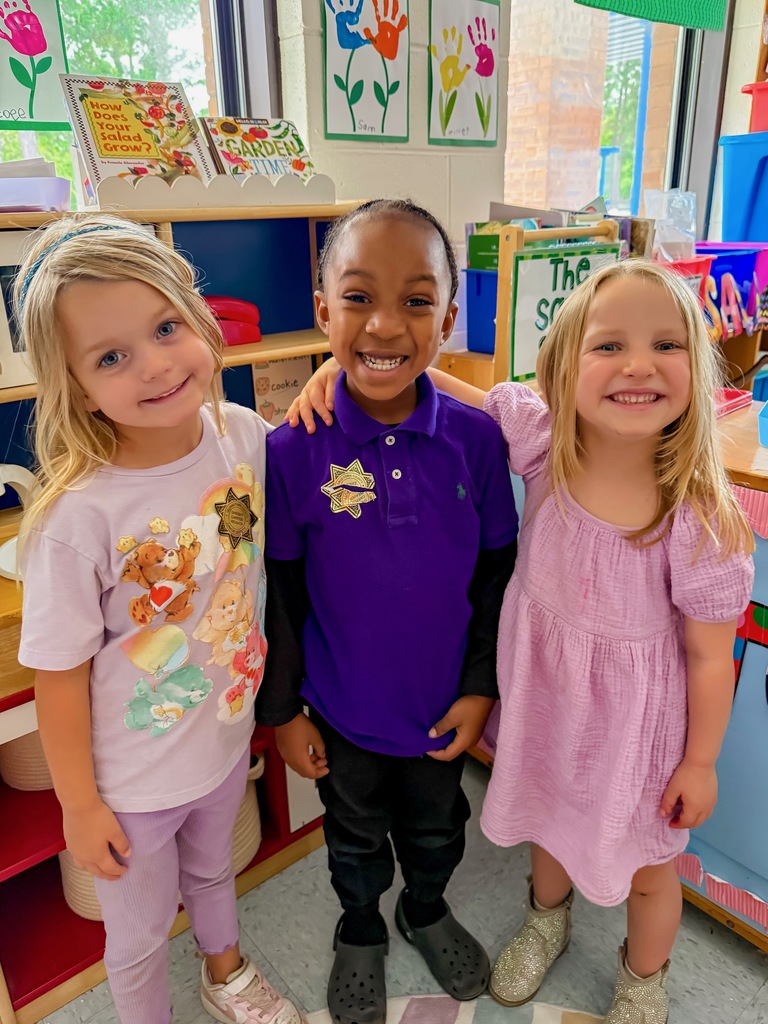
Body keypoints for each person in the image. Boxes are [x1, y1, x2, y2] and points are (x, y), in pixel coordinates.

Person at [289, 259, 754, 1023]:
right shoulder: (542, 443)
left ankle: (644, 978)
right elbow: (447, 393)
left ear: (696, 370)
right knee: (549, 821)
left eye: (665, 345)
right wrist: (336, 384)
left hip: (638, 736)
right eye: (609, 347)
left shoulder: (699, 514)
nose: (638, 365)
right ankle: (548, 919)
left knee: (648, 868)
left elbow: (709, 656)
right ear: (562, 370)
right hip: (548, 704)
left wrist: (699, 763)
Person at [15, 213, 305, 1024]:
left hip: (219, 740)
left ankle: (227, 974)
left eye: (165, 327)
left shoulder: (242, 436)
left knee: (216, 874)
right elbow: (59, 679)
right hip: (133, 785)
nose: (153, 365)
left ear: (200, 319)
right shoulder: (77, 517)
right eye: (112, 356)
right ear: (75, 384)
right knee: (138, 936)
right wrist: (79, 805)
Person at [256, 198, 519, 1024]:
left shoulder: (478, 441)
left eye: (415, 301)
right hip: (341, 713)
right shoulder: (290, 449)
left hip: (444, 709)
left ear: (447, 317)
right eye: (360, 297)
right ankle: (362, 924)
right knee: (355, 835)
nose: (385, 325)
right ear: (324, 309)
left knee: (439, 831)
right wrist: (282, 711)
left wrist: (482, 688)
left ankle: (426, 909)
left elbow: (495, 578)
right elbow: (283, 595)